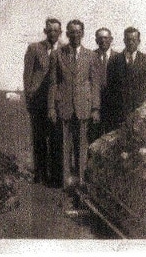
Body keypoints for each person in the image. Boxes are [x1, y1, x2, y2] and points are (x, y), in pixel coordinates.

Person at [48, 19, 100, 196]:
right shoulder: (57, 55)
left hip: (83, 108)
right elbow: (53, 83)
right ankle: (66, 183)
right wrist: (52, 108)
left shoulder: (91, 56)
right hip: (64, 107)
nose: (75, 35)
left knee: (81, 147)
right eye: (72, 32)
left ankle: (81, 182)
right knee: (64, 146)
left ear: (83, 34)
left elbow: (94, 84)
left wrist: (95, 108)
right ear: (67, 34)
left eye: (78, 32)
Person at [23, 18, 62, 187]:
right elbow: (27, 75)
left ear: (60, 32)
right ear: (45, 31)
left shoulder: (64, 49)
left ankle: (54, 174)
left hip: (55, 101)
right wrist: (29, 99)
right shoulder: (34, 48)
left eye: (56, 30)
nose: (53, 33)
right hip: (38, 101)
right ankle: (39, 173)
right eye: (50, 30)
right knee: (39, 138)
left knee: (55, 137)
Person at [107, 26, 146, 129]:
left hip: (140, 112)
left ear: (139, 41)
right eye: (128, 40)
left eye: (134, 40)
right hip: (119, 113)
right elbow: (110, 88)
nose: (130, 42)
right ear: (124, 40)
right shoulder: (114, 60)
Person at [88, 27, 118, 142]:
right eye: (100, 38)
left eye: (106, 38)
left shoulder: (118, 57)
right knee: (95, 140)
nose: (103, 41)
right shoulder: (90, 56)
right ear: (96, 41)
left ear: (111, 39)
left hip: (112, 106)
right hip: (94, 106)